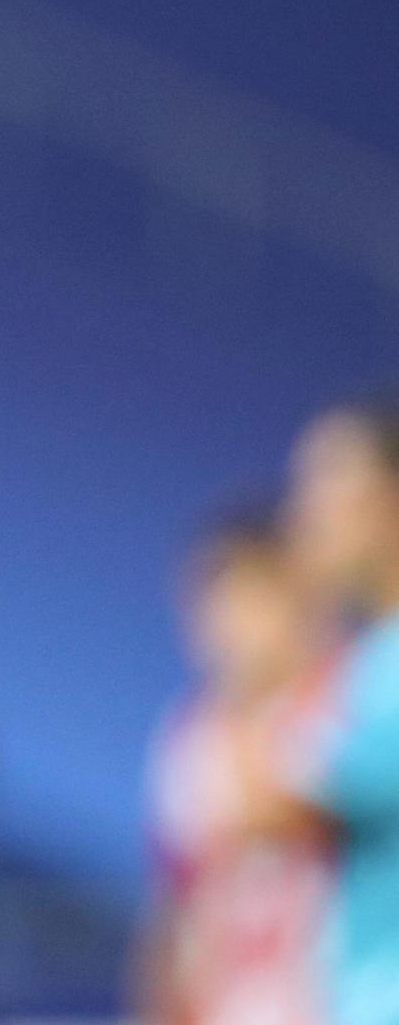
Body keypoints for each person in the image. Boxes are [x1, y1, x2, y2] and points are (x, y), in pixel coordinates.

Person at [140, 515, 337, 1025]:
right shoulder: (187, 737)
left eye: (245, 600)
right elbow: (175, 901)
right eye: (206, 606)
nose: (223, 627)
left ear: (299, 596)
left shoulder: (355, 696)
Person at [282, 399, 399, 1025]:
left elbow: (272, 801)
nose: (304, 512)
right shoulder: (363, 661)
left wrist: (298, 611)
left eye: (327, 481)